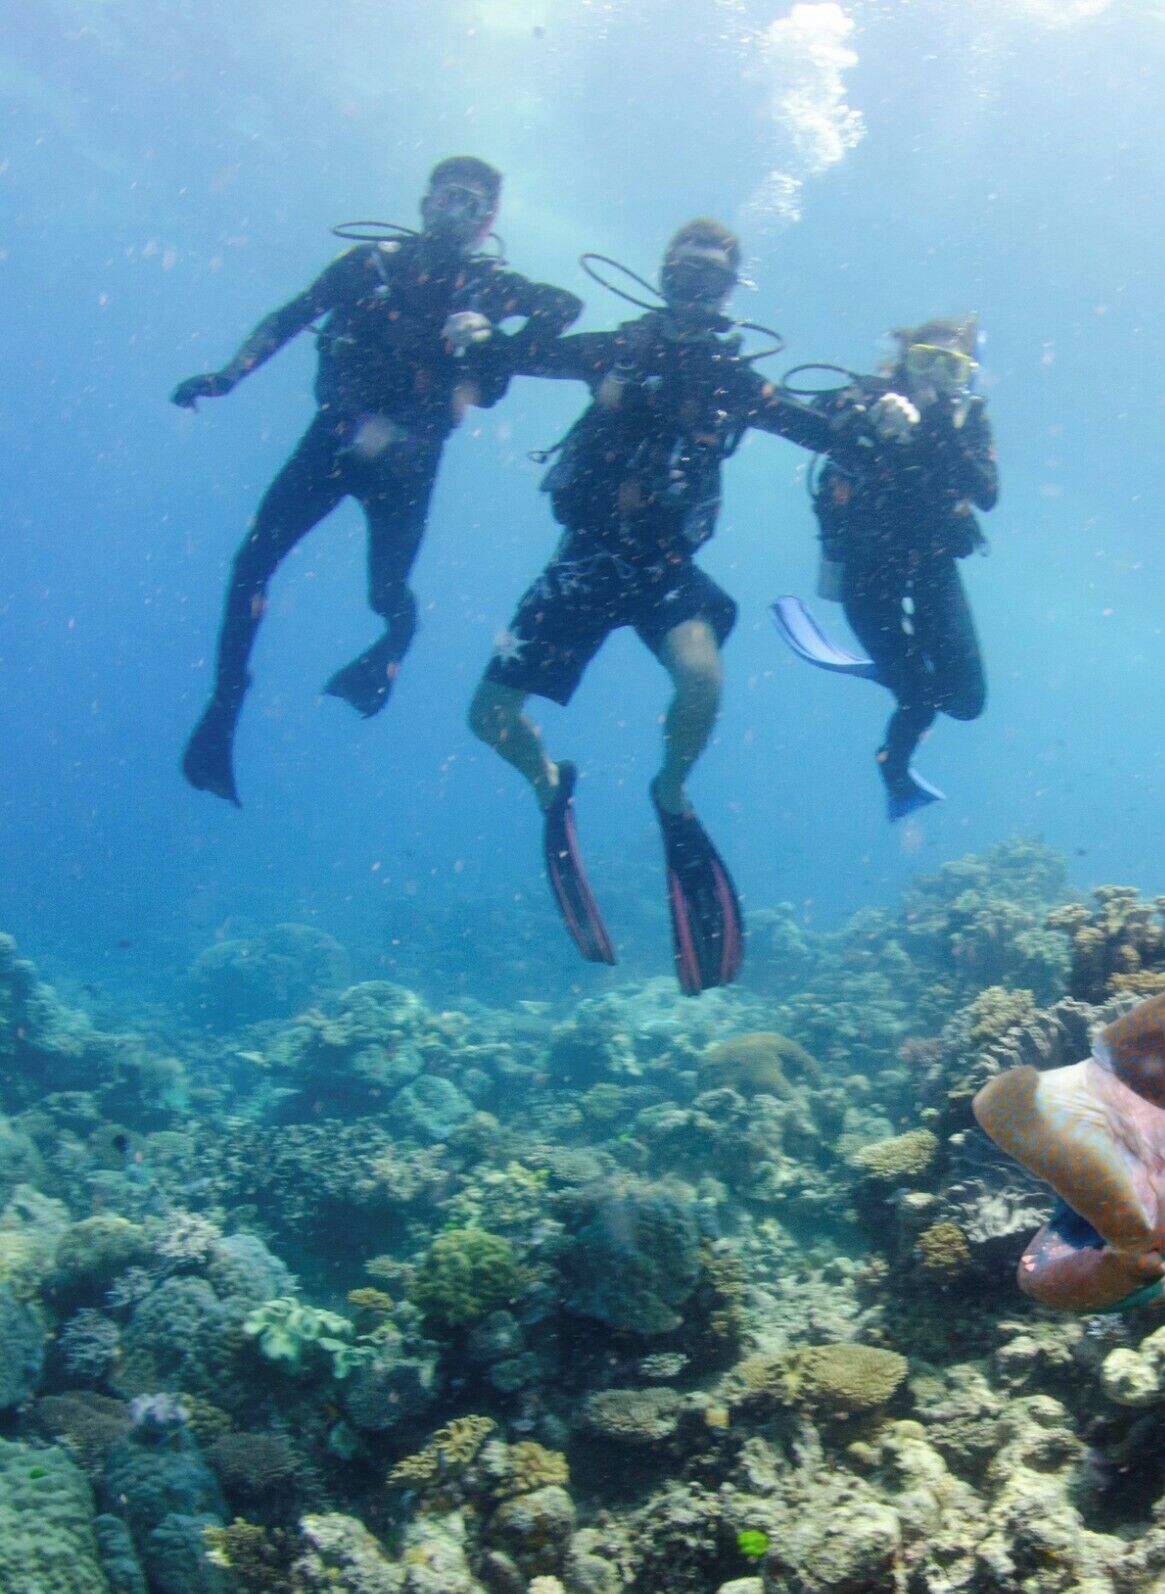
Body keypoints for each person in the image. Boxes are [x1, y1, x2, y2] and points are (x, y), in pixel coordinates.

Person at [467, 219, 834, 994]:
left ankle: (670, 790)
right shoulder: (620, 349)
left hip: (666, 567)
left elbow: (816, 428)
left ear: (731, 291)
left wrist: (877, 414)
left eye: (713, 279)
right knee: (488, 717)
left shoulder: (735, 380)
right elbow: (526, 355)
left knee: (701, 679)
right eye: (686, 273)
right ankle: (547, 779)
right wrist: (477, 331)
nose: (697, 289)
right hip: (584, 559)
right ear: (664, 275)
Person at [172, 156, 582, 805]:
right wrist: (228, 375)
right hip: (333, 442)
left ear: (487, 223)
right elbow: (288, 317)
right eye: (449, 197)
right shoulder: (372, 268)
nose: (456, 213)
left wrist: (496, 346)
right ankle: (225, 705)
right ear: (425, 203)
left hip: (408, 466)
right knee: (252, 561)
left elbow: (564, 305)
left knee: (387, 591)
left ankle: (396, 641)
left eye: (471, 205)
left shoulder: (487, 287)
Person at [771, 317, 999, 820]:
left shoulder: (968, 421)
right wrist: (864, 417)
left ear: (966, 376)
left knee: (966, 702)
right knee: (918, 694)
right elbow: (803, 416)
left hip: (932, 563)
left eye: (951, 368)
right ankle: (894, 759)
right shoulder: (868, 395)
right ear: (902, 361)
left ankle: (902, 667)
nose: (935, 377)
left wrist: (944, 430)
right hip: (866, 566)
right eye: (924, 361)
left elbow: (988, 494)